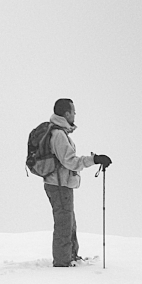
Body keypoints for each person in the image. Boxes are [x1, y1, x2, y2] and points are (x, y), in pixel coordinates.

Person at [40, 98, 112, 267]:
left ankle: (71, 256)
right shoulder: (58, 135)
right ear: (66, 114)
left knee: (69, 220)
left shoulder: (60, 132)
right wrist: (93, 159)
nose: (75, 115)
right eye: (73, 112)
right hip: (58, 184)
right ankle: (63, 261)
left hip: (60, 183)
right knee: (64, 222)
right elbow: (70, 161)